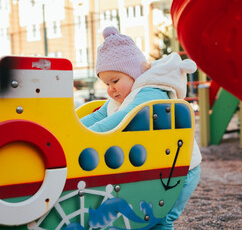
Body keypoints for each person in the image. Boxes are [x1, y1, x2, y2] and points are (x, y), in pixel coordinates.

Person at [81, 26, 202, 229]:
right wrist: (70, 131)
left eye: (115, 80)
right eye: (105, 83)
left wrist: (87, 136)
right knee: (147, 219)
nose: (110, 89)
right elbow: (100, 116)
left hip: (180, 170)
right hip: (156, 167)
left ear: (134, 73)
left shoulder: (150, 92)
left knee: (162, 219)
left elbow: (125, 117)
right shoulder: (121, 97)